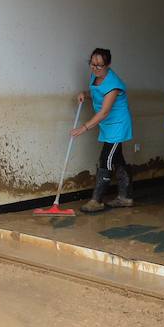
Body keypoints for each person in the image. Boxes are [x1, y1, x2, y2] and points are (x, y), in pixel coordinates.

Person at [72, 48, 134, 213]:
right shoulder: (95, 76)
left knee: (105, 159)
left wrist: (84, 128)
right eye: (93, 64)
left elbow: (105, 111)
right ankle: (125, 197)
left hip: (117, 124)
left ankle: (97, 200)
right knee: (118, 159)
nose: (95, 68)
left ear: (108, 65)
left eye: (100, 65)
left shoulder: (113, 84)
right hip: (107, 124)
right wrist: (85, 94)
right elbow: (98, 94)